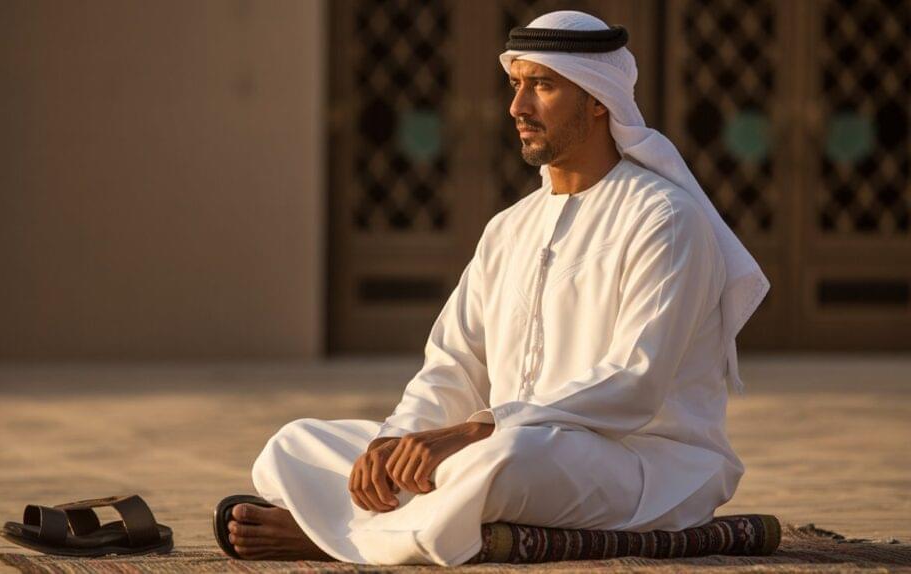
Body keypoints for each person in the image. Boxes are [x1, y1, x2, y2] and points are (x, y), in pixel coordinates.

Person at [219, 10, 769, 566]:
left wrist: (473, 430)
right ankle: (394, 525)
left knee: (502, 461)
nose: (517, 108)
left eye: (543, 86)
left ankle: (329, 537)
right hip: (507, 447)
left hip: (641, 464)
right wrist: (396, 442)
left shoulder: (664, 218)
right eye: (516, 85)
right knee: (296, 445)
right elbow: (453, 364)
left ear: (599, 100)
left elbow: (633, 383)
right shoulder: (509, 228)